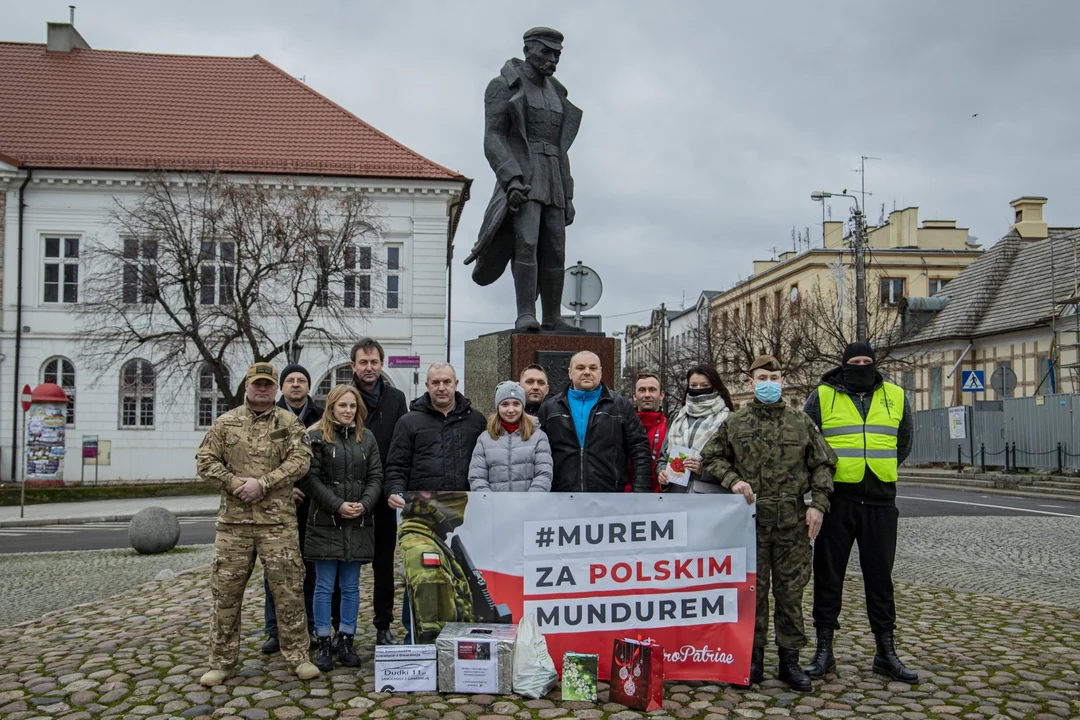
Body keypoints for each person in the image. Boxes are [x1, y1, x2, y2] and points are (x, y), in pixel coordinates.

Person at [702, 355, 835, 692]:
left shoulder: (800, 422)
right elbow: (711, 457)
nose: (769, 383)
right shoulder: (736, 423)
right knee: (753, 593)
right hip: (751, 524)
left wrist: (818, 504)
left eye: (774, 377)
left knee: (790, 594)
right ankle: (754, 658)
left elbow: (823, 463)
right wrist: (733, 480)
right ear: (751, 383)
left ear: (782, 380)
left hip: (792, 523)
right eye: (763, 377)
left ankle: (790, 660)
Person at [196, 362, 319, 685]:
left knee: (289, 591)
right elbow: (205, 461)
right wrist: (236, 483)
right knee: (225, 594)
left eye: (268, 384)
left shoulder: (289, 423)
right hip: (234, 525)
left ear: (275, 388)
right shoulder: (226, 423)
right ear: (247, 386)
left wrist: (263, 483)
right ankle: (221, 662)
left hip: (276, 523)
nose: (262, 389)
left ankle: (298, 656)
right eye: (257, 384)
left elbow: (301, 460)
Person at [802, 341, 918, 684]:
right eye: (855, 362)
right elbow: (808, 440)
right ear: (844, 365)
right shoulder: (822, 395)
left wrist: (879, 468)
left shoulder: (895, 395)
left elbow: (904, 441)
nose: (862, 366)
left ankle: (886, 651)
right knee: (828, 576)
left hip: (881, 500)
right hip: (837, 500)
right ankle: (824, 651)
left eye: (867, 361)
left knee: (880, 579)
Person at [467, 26, 583, 333]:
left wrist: (568, 194)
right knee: (527, 243)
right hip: (524, 174)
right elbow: (492, 137)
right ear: (528, 50)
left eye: (557, 54)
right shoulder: (503, 86)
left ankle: (553, 316)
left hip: (554, 176)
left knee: (556, 248)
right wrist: (511, 179)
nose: (552, 60)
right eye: (546, 52)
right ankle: (525, 313)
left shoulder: (558, 93)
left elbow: (562, 147)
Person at [384, 362, 487, 641]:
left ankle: (459, 638)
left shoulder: (476, 420)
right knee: (419, 575)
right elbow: (396, 465)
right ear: (427, 386)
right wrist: (394, 490)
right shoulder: (409, 421)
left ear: (456, 383)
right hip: (422, 516)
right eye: (435, 383)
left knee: (461, 578)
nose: (441, 387)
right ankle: (414, 636)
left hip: (464, 516)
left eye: (446, 382)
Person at [298, 384, 383, 671]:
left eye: (352, 406)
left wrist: (366, 503)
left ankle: (346, 638)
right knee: (323, 586)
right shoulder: (316, 437)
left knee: (350, 587)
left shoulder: (366, 439)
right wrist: (337, 505)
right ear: (332, 407)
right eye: (343, 405)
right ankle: (323, 640)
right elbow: (310, 479)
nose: (348, 411)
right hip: (326, 521)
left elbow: (376, 476)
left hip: (358, 523)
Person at [262, 363, 333, 655]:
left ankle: (312, 625)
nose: (295, 385)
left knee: (311, 569)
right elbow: (262, 459)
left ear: (308, 386)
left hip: (313, 505)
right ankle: (274, 630)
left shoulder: (320, 417)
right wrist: (283, 488)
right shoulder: (270, 417)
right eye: (290, 380)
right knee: (275, 569)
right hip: (279, 504)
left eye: (301, 380)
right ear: (282, 387)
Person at [351, 338, 409, 646]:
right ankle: (340, 628)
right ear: (354, 366)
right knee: (344, 567)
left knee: (384, 566)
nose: (369, 368)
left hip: (384, 496)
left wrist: (394, 486)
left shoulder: (396, 398)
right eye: (363, 362)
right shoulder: (345, 397)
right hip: (352, 496)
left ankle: (383, 625)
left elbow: (400, 447)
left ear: (381, 365)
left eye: (374, 362)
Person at [537, 351, 653, 492]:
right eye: (580, 368)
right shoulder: (550, 408)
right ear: (569, 373)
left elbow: (640, 450)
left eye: (593, 368)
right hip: (561, 496)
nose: (587, 372)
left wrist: (641, 491)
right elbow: (538, 453)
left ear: (601, 372)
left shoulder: (620, 406)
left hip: (609, 496)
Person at [657, 364, 734, 493]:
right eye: (693, 385)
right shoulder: (678, 417)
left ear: (715, 387)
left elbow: (734, 464)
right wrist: (662, 473)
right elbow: (663, 457)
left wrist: (703, 471)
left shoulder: (728, 419)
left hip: (709, 498)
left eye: (704, 386)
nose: (698, 389)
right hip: (676, 496)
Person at [469, 381, 553, 492]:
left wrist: (529, 501)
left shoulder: (538, 437)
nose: (511, 410)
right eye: (505, 404)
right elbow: (477, 477)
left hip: (529, 506)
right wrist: (490, 502)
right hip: (495, 506)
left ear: (522, 406)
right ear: (498, 407)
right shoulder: (484, 439)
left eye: (516, 404)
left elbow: (544, 475)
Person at [629, 372, 668, 492]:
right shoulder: (624, 427)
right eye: (642, 390)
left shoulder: (672, 428)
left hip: (663, 498)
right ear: (634, 396)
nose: (647, 395)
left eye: (652, 390)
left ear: (661, 395)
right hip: (627, 499)